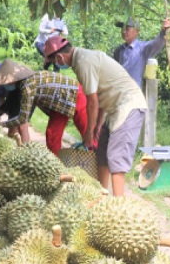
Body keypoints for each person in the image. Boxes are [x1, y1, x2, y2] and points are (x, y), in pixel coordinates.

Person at [44, 35, 147, 196]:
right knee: (102, 154)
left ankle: (118, 205)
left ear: (59, 57)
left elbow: (92, 103)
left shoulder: (83, 62)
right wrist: (98, 125)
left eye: (53, 61)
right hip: (115, 108)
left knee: (116, 159)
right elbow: (100, 96)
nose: (55, 65)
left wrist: (88, 132)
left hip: (129, 105)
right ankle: (101, 196)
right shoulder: (81, 59)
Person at [0, 59, 90, 156]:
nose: (6, 85)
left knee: (87, 132)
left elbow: (22, 118)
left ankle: (94, 157)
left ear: (13, 79)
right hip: (58, 104)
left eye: (6, 82)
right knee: (52, 135)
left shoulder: (28, 86)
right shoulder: (21, 84)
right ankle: (56, 161)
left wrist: (1, 125)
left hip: (75, 94)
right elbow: (7, 104)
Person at [112, 17, 170, 88]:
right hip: (118, 91)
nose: (124, 31)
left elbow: (156, 44)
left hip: (134, 92)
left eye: (127, 28)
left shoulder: (142, 48)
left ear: (137, 31)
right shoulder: (118, 51)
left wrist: (163, 32)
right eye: (122, 28)